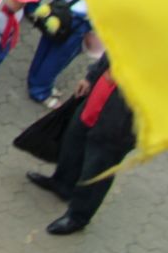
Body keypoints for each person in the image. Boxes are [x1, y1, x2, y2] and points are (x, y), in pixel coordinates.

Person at [27, 54, 135, 235]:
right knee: (73, 142)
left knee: (98, 170)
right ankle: (62, 184)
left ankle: (78, 216)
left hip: (120, 124)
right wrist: (91, 77)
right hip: (98, 98)